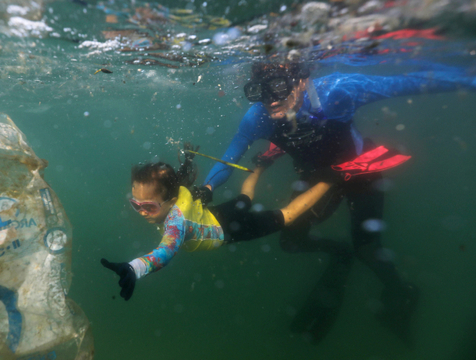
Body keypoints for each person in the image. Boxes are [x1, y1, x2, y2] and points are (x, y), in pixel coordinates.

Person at [200, 61, 476, 344]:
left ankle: (402, 291)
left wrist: (469, 78)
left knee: (367, 250)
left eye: (280, 87)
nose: (270, 99)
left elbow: (407, 82)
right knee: (291, 241)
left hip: (359, 173)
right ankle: (339, 253)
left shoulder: (339, 91)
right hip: (317, 180)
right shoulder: (257, 117)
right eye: (259, 91)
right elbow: (231, 154)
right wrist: (207, 187)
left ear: (301, 81)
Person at [101, 145, 331, 302]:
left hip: (228, 230)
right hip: (214, 215)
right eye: (136, 204)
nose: (142, 212)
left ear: (171, 202)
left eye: (148, 206)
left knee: (287, 216)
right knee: (245, 199)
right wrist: (187, 162)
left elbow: (166, 251)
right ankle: (263, 162)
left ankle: (332, 178)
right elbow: (177, 181)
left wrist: (135, 267)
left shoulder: (176, 222)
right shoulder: (175, 191)